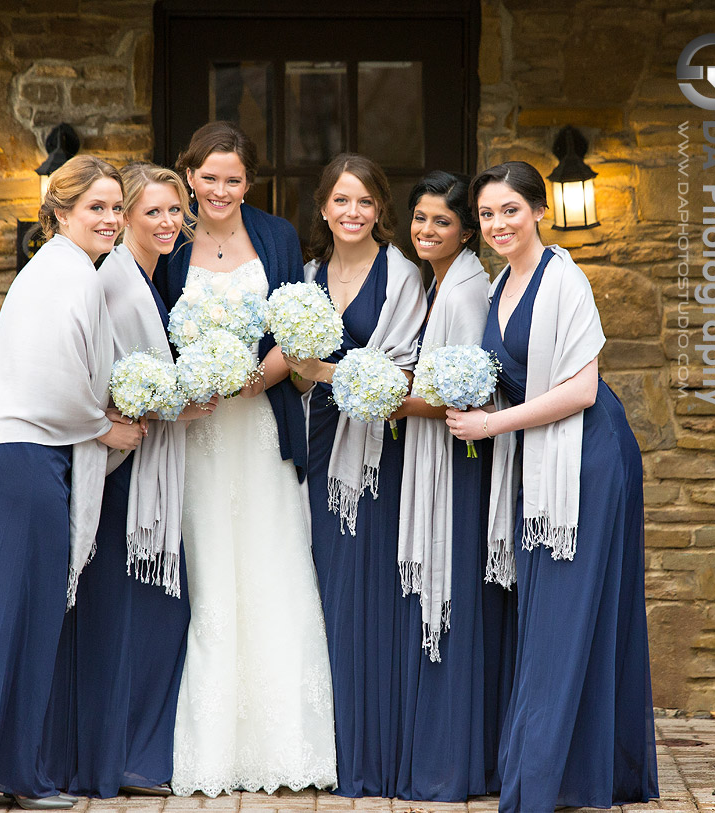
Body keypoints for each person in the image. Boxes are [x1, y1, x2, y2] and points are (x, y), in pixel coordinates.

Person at [0, 156, 143, 809]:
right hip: (24, 458)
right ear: (60, 212)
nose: (109, 219)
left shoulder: (56, 270)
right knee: (27, 614)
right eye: (96, 208)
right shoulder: (68, 277)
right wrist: (104, 428)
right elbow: (54, 386)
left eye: (114, 208)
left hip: (2, 455)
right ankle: (20, 775)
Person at [445, 161, 659, 812]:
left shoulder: (564, 280)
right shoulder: (496, 285)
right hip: (538, 453)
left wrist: (491, 423)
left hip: (586, 457)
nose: (498, 223)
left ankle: (537, 785)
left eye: (510, 209)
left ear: (539, 210)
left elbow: (581, 389)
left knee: (560, 617)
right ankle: (588, 774)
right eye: (486, 214)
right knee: (550, 612)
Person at [161, 121, 336, 798]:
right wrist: (193, 383)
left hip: (261, 424)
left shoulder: (277, 237)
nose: (221, 191)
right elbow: (156, 331)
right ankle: (213, 748)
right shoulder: (172, 243)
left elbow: (297, 329)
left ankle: (288, 746)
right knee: (213, 576)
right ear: (190, 175)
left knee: (274, 565)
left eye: (234, 179)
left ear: (248, 182)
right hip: (202, 432)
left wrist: (257, 377)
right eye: (209, 178)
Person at [51, 163, 213, 798]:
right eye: (153, 212)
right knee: (124, 613)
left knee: (153, 612)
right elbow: (100, 386)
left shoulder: (146, 277)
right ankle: (111, 758)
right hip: (125, 476)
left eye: (176, 211)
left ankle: (131, 753)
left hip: (151, 469)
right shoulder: (114, 282)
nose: (168, 222)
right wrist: (170, 403)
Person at [285, 153, 426, 798]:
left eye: (365, 202)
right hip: (314, 448)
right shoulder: (305, 276)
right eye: (341, 200)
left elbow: (403, 372)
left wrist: (326, 374)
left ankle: (369, 749)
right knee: (319, 586)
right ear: (323, 207)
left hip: (376, 456)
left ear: (380, 211)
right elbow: (289, 364)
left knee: (367, 589)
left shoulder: (403, 278)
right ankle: (322, 744)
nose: (352, 212)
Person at [393, 171, 514, 801]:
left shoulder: (465, 290)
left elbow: (463, 393)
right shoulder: (436, 281)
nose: (426, 230)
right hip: (441, 455)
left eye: (441, 221)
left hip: (459, 466)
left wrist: (391, 398)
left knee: (456, 602)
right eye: (418, 217)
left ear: (466, 231)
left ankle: (455, 764)